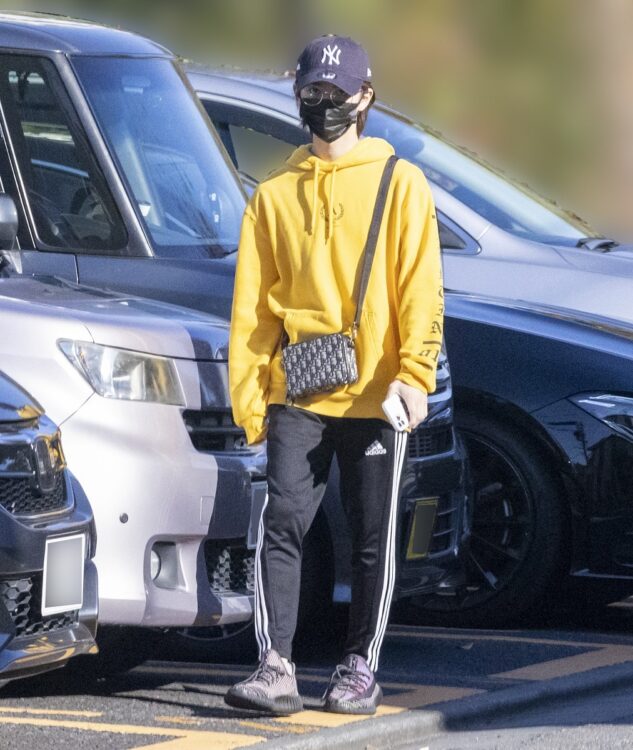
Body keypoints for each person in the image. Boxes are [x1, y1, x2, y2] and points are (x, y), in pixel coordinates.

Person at [226, 33, 444, 716]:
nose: (324, 107)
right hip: (300, 390)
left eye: (337, 95)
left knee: (372, 535)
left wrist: (414, 374)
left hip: (381, 395)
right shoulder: (273, 196)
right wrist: (251, 396)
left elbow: (421, 289)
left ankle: (359, 665)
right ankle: (275, 664)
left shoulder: (399, 183)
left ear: (366, 97)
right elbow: (253, 308)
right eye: (312, 94)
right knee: (283, 523)